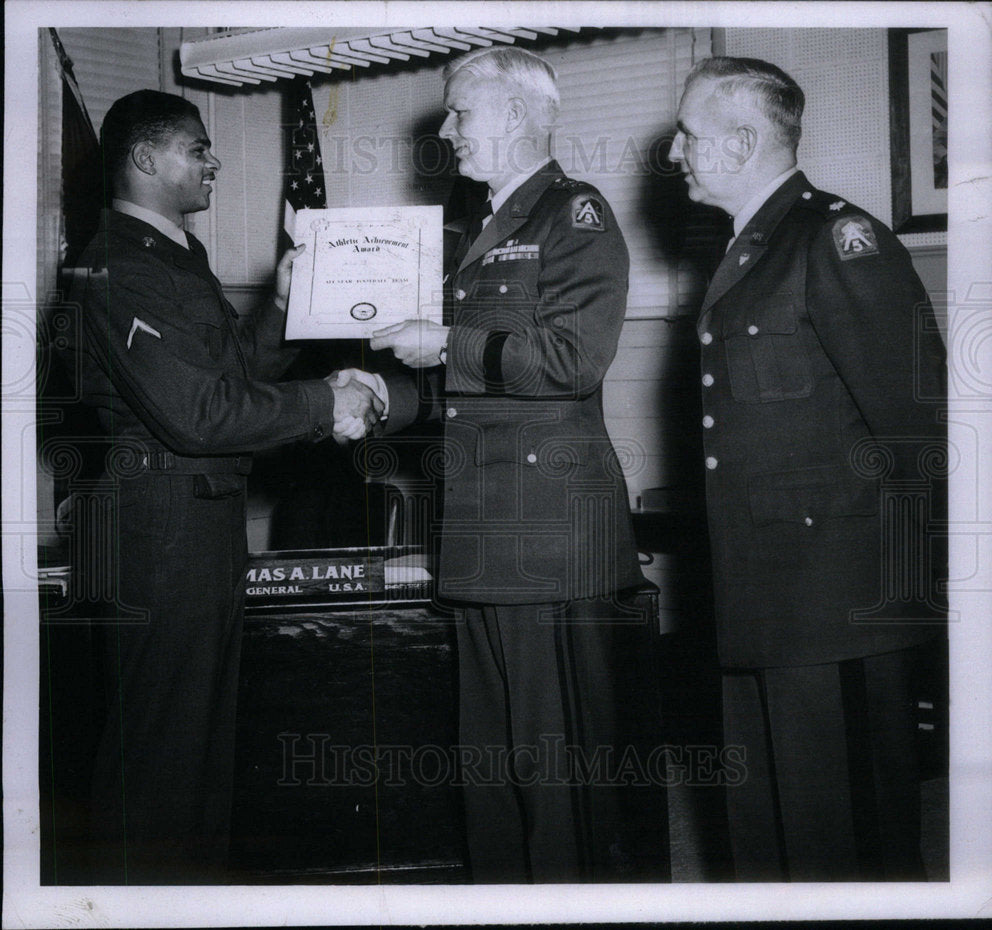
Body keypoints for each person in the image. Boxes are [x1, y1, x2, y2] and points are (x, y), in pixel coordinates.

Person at [353, 47, 662, 883]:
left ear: (518, 113)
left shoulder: (574, 215)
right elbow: (453, 388)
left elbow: (570, 361)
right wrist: (379, 399)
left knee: (556, 770)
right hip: (482, 533)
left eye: (461, 112)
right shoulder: (471, 230)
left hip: (549, 538)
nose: (447, 130)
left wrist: (445, 342)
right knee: (490, 766)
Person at [66, 89, 381, 883]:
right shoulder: (118, 263)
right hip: (163, 530)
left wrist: (278, 305)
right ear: (145, 159)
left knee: (201, 746)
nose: (214, 162)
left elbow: (234, 375)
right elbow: (200, 415)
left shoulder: (173, 256)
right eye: (197, 148)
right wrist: (325, 402)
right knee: (161, 754)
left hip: (196, 527)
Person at [668, 57, 948, 881]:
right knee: (771, 830)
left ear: (744, 139)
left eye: (689, 134)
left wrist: (901, 598)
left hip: (840, 602)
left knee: (853, 838)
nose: (676, 151)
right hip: (764, 594)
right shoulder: (750, 245)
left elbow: (919, 429)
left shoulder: (835, 238)